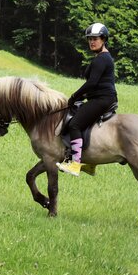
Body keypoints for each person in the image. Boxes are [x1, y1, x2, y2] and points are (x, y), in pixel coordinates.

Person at [56, 22, 118, 177]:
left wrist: (75, 96)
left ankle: (75, 163)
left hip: (103, 100)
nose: (91, 41)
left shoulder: (101, 59)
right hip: (100, 98)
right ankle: (90, 163)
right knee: (83, 119)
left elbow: (92, 83)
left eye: (95, 38)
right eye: (89, 38)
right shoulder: (101, 58)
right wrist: (82, 97)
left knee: (75, 124)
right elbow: (94, 85)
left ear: (103, 39)